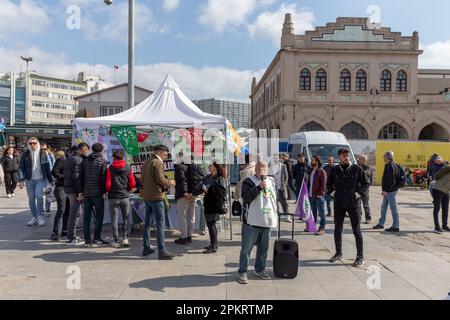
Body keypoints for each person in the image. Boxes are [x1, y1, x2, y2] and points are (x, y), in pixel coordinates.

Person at [327, 148, 370, 267]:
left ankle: (360, 257)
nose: (347, 157)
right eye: (344, 155)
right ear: (339, 157)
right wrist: (333, 193)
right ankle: (338, 253)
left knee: (356, 230)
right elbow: (328, 184)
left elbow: (366, 183)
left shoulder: (357, 169)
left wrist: (358, 194)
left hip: (353, 204)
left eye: (348, 155)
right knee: (337, 229)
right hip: (339, 203)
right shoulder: (335, 170)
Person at [238, 161, 277, 284]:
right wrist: (259, 187)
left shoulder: (271, 181)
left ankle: (260, 269)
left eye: (264, 170)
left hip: (267, 221)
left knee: (263, 249)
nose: (262, 172)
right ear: (256, 170)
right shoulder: (248, 181)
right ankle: (243, 272)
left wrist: (276, 214)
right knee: (246, 249)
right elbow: (246, 197)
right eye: (260, 170)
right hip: (252, 222)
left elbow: (273, 199)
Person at [141, 145, 176, 260]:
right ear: (160, 152)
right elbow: (161, 180)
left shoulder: (146, 162)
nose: (166, 155)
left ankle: (146, 247)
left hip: (147, 196)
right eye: (165, 153)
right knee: (160, 224)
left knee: (147, 224)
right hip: (156, 197)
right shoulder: (157, 162)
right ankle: (162, 251)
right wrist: (170, 182)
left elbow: (143, 179)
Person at [18, 137, 54, 227]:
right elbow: (21, 167)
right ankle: (34, 217)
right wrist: (21, 180)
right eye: (30, 143)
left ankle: (40, 216)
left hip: (40, 179)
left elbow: (46, 167)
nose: (32, 145)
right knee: (31, 199)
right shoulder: (25, 154)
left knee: (39, 196)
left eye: (34, 143)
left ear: (37, 143)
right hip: (29, 180)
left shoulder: (43, 154)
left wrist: (50, 180)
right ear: (28, 144)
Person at [193, 162, 227, 254]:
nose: (209, 167)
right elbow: (200, 186)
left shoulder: (219, 178)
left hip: (215, 204)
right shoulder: (208, 177)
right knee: (209, 224)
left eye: (210, 165)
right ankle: (213, 243)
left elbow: (222, 193)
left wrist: (210, 190)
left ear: (215, 167)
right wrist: (198, 189)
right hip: (208, 203)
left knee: (211, 224)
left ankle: (214, 245)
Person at [106, 151, 136, 248]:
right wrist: (129, 188)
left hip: (113, 197)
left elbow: (108, 183)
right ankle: (125, 238)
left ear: (114, 157)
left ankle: (116, 240)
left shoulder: (110, 167)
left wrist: (108, 191)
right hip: (125, 196)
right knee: (126, 218)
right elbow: (132, 182)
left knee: (114, 220)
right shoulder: (127, 167)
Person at [81, 143, 108, 247]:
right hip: (97, 193)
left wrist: (82, 190)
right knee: (99, 216)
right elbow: (103, 179)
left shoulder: (85, 160)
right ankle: (97, 237)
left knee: (86, 216)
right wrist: (104, 191)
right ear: (101, 151)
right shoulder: (103, 161)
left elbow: (81, 176)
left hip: (86, 192)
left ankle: (87, 239)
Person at [64, 142, 90, 245]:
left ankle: (71, 236)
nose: (86, 152)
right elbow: (77, 177)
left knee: (75, 212)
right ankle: (71, 238)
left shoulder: (69, 158)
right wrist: (80, 192)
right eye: (86, 150)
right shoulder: (78, 160)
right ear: (83, 149)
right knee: (75, 213)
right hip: (74, 190)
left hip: (69, 188)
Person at [373, 151, 401, 232]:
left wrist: (385, 190)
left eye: (384, 156)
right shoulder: (392, 165)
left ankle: (396, 226)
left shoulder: (390, 166)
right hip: (391, 190)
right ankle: (381, 223)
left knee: (393, 208)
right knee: (383, 207)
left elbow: (390, 180)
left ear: (388, 157)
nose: (383, 158)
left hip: (390, 191)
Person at [50, 151, 70, 241]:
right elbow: (54, 171)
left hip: (69, 188)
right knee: (61, 210)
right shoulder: (62, 160)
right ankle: (55, 232)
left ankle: (65, 230)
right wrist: (64, 177)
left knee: (67, 210)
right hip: (61, 188)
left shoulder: (70, 160)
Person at [307, 155, 327, 235]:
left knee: (321, 213)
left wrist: (320, 194)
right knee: (313, 212)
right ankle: (312, 226)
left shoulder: (322, 171)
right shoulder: (312, 170)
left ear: (317, 161)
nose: (311, 161)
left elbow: (323, 184)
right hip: (311, 196)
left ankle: (322, 228)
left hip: (318, 196)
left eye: (313, 160)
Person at [430, 157, 449, 233]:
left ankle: (444, 225)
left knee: (445, 209)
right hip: (438, 188)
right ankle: (437, 226)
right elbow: (437, 176)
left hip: (446, 191)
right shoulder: (448, 168)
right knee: (437, 208)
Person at [272, 154, 290, 223]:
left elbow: (286, 176)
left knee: (284, 202)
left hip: (281, 187)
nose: (275, 159)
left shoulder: (283, 166)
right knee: (275, 202)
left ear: (280, 158)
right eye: (274, 158)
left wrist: (284, 184)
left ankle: (287, 216)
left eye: (277, 158)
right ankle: (277, 215)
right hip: (274, 187)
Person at [358, 155, 374, 224]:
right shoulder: (357, 166)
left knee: (365, 205)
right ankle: (358, 218)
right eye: (361, 159)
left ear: (365, 160)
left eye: (363, 159)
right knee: (358, 205)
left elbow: (366, 173)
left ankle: (368, 218)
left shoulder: (368, 168)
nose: (361, 160)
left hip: (365, 190)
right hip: (357, 190)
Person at [41, 143, 55, 216]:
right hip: (40, 177)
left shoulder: (51, 155)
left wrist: (53, 178)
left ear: (48, 149)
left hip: (49, 177)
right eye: (41, 149)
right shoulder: (38, 156)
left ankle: (47, 209)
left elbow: (54, 166)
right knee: (39, 194)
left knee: (48, 193)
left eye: (44, 149)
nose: (43, 150)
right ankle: (41, 209)